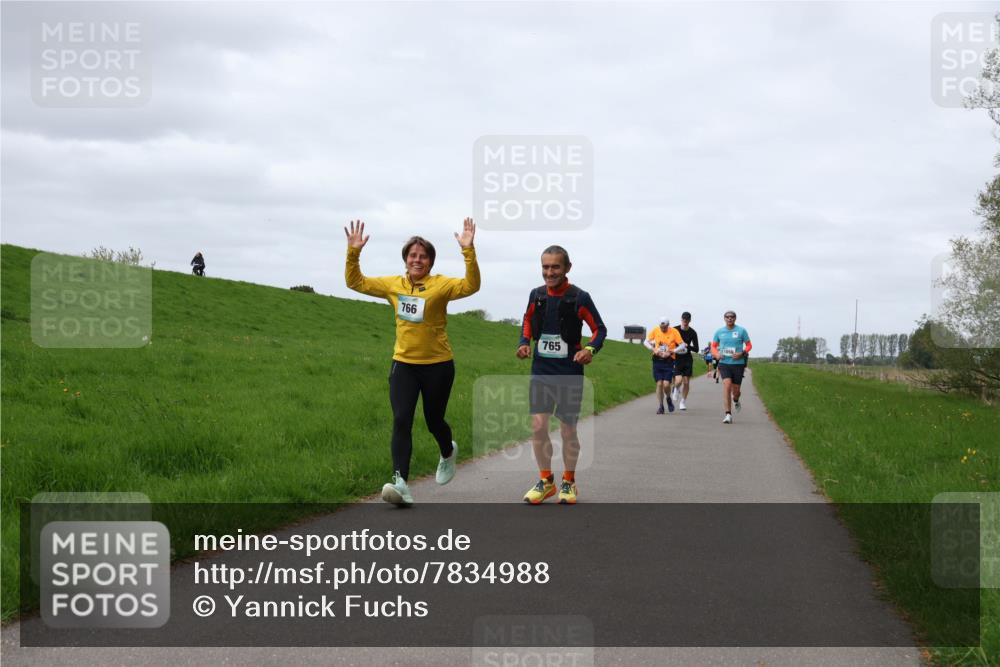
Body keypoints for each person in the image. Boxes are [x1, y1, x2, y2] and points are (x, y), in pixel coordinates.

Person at [344, 218, 480, 505]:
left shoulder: (441, 285)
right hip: (404, 364)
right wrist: (353, 252)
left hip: (438, 365)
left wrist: (468, 250)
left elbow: (471, 286)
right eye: (413, 255)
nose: (417, 260)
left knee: (434, 420)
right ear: (406, 259)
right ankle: (401, 483)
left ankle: (447, 451)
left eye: (423, 256)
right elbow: (355, 282)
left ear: (430, 261)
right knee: (401, 419)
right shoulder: (393, 284)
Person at [517, 246, 606, 505]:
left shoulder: (579, 297)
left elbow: (599, 329)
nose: (549, 272)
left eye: (555, 267)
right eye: (545, 267)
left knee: (567, 430)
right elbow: (527, 320)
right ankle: (546, 481)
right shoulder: (536, 295)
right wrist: (524, 342)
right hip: (541, 370)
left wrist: (589, 349)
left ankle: (569, 481)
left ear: (567, 268)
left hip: (569, 372)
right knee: (538, 427)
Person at [711, 310, 752, 424]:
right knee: (727, 385)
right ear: (724, 318)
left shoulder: (741, 331)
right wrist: (716, 354)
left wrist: (742, 353)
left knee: (736, 391)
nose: (730, 318)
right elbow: (713, 346)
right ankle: (728, 414)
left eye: (732, 317)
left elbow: (749, 345)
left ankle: (736, 400)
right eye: (727, 317)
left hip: (738, 364)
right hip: (724, 363)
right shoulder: (719, 331)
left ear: (735, 318)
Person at [644, 317, 683, 414]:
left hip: (669, 361)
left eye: (665, 327)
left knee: (666, 384)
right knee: (659, 384)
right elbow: (646, 341)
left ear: (668, 325)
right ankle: (661, 406)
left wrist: (672, 351)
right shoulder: (655, 330)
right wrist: (654, 349)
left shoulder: (674, 332)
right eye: (661, 327)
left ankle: (668, 398)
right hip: (657, 360)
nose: (663, 329)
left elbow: (682, 345)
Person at [669, 311, 700, 411]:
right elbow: (669, 341)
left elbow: (696, 349)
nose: (685, 321)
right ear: (681, 319)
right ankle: (675, 389)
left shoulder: (692, 332)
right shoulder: (674, 330)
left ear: (690, 320)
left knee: (686, 382)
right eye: (683, 320)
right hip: (677, 358)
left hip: (687, 359)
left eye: (687, 320)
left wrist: (687, 346)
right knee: (678, 380)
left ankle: (682, 402)